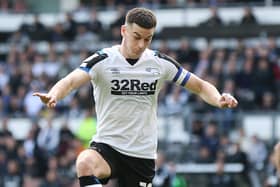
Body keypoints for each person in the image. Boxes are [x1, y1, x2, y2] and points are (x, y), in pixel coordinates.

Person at [33, 7, 238, 187]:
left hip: (142, 153)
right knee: (85, 162)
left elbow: (200, 86)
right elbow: (71, 80)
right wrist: (54, 94)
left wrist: (218, 98)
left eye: (147, 39)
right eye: (136, 36)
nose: (141, 45)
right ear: (124, 31)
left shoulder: (159, 63)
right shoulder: (103, 60)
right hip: (108, 145)